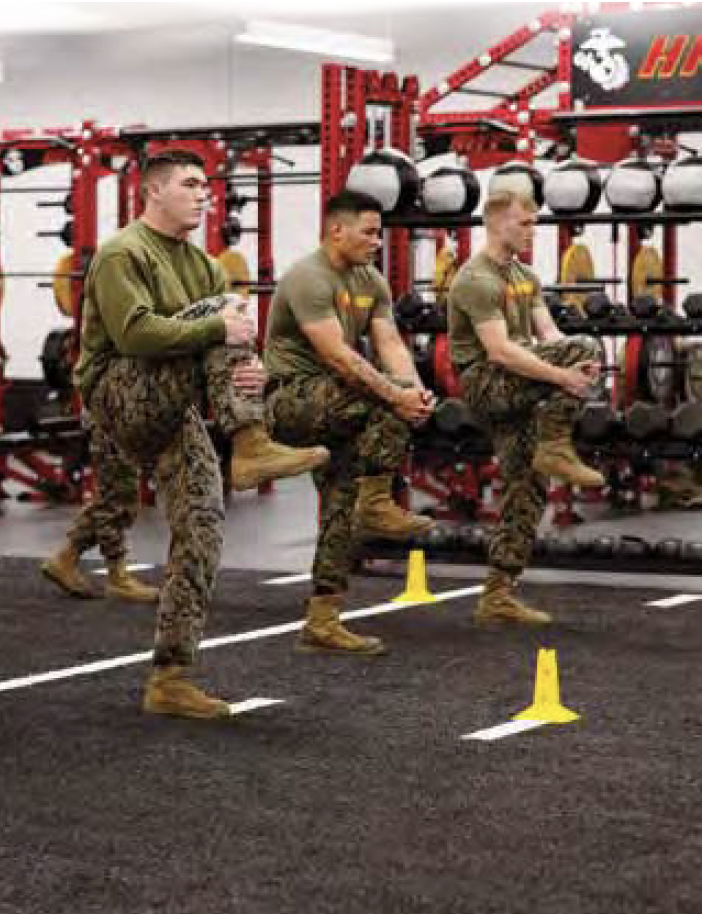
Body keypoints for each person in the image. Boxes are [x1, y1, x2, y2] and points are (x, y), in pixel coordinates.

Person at [57, 150, 329, 719]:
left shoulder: (204, 264)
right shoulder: (121, 253)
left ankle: (171, 677)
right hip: (118, 395)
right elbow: (133, 335)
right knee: (227, 308)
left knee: (204, 527)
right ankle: (250, 442)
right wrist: (221, 327)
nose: (204, 194)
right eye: (190, 184)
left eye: (207, 185)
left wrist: (248, 373)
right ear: (153, 192)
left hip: (172, 407)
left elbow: (211, 349)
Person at [264, 190, 436, 655]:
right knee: (383, 399)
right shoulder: (308, 277)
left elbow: (392, 345)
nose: (377, 241)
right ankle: (377, 498)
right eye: (369, 232)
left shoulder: (371, 281)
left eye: (379, 233)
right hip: (293, 399)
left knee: (339, 507)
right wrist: (395, 397)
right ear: (336, 229)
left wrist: (415, 391)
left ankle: (323, 619)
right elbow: (338, 356)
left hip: (339, 407)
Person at [448, 189, 604, 625]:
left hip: (521, 382)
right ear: (497, 224)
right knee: (582, 348)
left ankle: (498, 593)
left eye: (534, 222)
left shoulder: (525, 276)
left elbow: (550, 335)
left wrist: (580, 367)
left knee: (527, 486)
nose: (532, 230)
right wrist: (562, 376)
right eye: (524, 223)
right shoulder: (476, 279)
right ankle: (555, 444)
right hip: (487, 384)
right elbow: (498, 351)